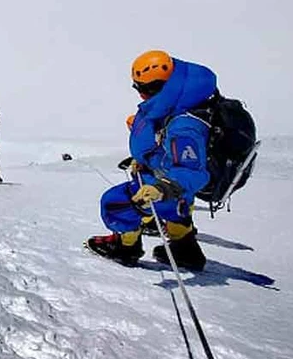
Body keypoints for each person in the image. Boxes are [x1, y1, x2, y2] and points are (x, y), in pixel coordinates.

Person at [86, 50, 215, 271]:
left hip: (167, 184)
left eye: (145, 88)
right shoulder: (178, 100)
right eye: (137, 87)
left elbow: (192, 171)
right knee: (178, 207)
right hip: (167, 180)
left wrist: (162, 189)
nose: (141, 94)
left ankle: (125, 247)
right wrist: (145, 160)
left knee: (115, 203)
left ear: (162, 85)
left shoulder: (185, 126)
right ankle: (185, 250)